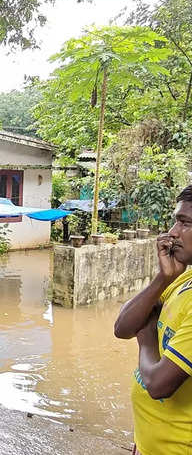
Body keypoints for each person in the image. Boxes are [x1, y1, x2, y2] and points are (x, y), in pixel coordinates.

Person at [115, 186, 192, 455]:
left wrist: (147, 339)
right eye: (175, 220)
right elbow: (123, 327)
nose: (172, 232)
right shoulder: (183, 279)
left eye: (185, 223)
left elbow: (159, 385)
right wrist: (163, 279)